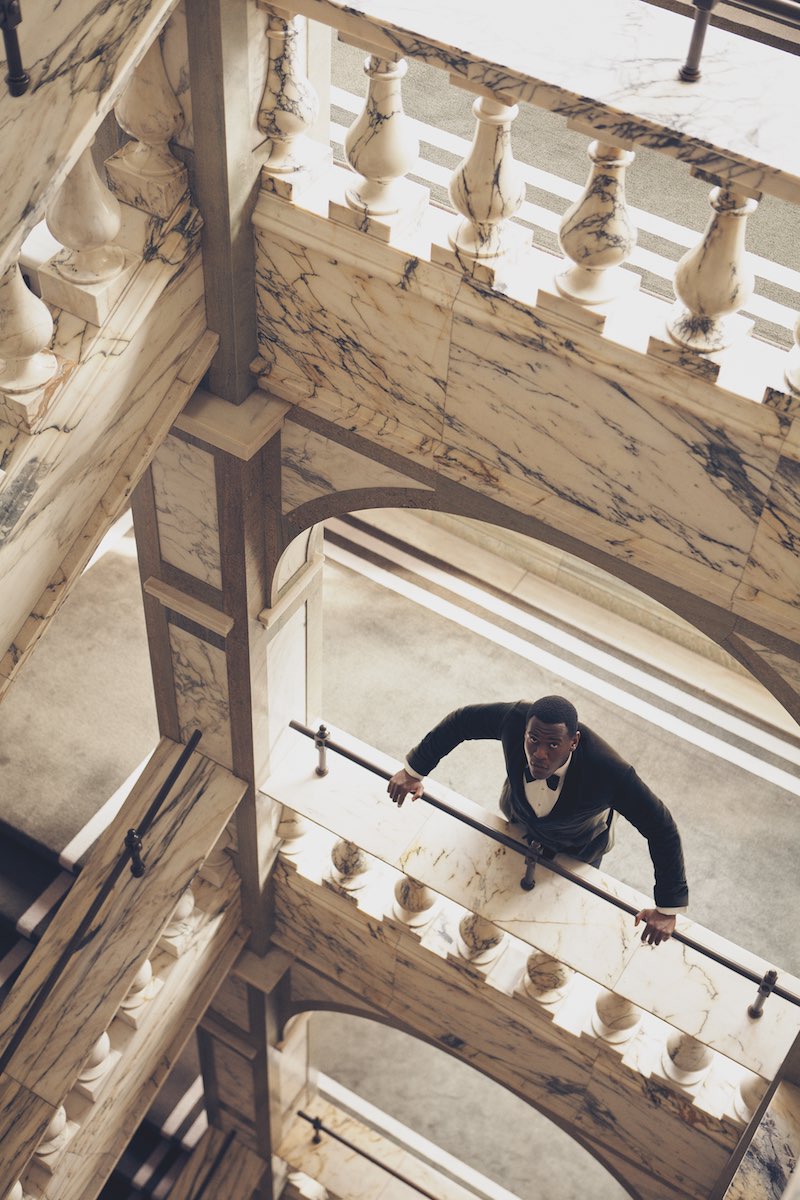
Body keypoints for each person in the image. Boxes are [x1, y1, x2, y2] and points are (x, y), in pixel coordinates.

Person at [387, 694, 687, 946]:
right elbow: (461, 722)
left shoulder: (611, 772)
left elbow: (661, 829)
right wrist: (414, 771)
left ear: (574, 742)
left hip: (578, 846)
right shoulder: (514, 719)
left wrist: (667, 908)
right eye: (533, 740)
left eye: (553, 745)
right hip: (518, 816)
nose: (539, 755)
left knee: (555, 921)